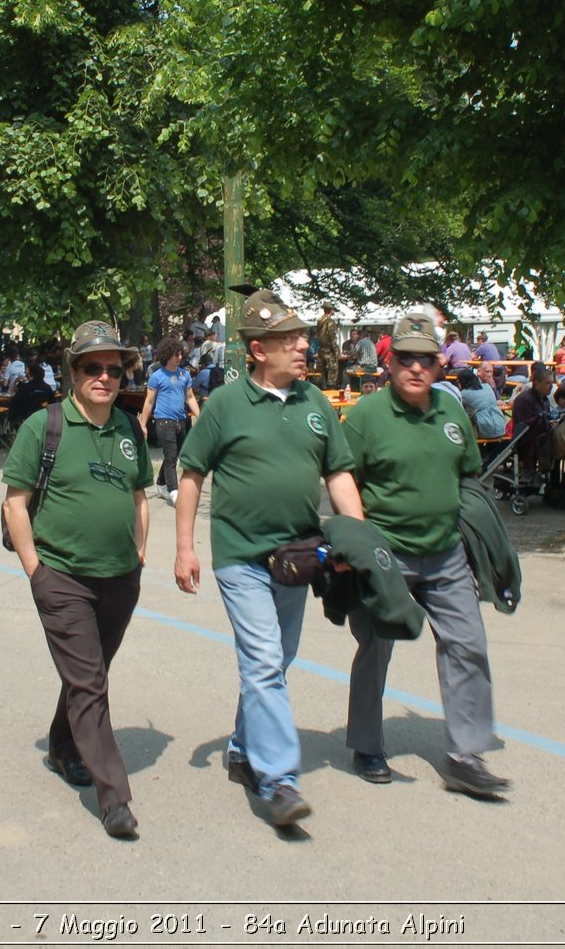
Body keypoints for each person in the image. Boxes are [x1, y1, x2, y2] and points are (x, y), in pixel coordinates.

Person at [175, 288, 364, 826]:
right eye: (291, 339)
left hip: (297, 557)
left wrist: (359, 538)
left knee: (277, 661)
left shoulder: (317, 404)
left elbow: (340, 476)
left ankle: (242, 750)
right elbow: (190, 476)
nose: (305, 346)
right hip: (239, 556)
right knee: (263, 661)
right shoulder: (227, 405)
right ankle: (278, 779)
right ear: (259, 349)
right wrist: (185, 548)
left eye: (303, 337)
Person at [342, 313, 508, 796]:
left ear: (440, 365)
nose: (416, 368)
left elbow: (468, 477)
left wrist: (476, 534)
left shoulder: (451, 411)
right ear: (390, 363)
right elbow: (343, 480)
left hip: (445, 552)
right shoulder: (367, 416)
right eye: (406, 358)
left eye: (427, 359)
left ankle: (465, 756)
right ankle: (368, 744)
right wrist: (358, 545)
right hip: (388, 553)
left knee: (468, 643)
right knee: (376, 646)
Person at [2, 322, 151, 839]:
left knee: (91, 671)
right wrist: (35, 570)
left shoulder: (130, 428)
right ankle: (114, 797)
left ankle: (63, 746)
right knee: (89, 679)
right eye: (94, 367)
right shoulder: (44, 426)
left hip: (119, 576)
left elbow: (138, 497)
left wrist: (139, 554)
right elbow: (15, 502)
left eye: (115, 369)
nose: (105, 377)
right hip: (61, 575)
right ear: (73, 373)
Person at [140, 339, 200, 505]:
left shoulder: (184, 374)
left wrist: (200, 416)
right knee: (171, 456)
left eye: (181, 354)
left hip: (181, 421)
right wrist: (143, 424)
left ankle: (161, 484)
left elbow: (190, 397)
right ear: (167, 355)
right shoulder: (157, 376)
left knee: (172, 455)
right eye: (176, 354)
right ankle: (174, 491)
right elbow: (149, 401)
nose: (179, 357)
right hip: (163, 421)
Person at [510, 363, 556, 487]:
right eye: (548, 383)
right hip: (526, 441)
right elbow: (525, 427)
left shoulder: (544, 399)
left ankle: (555, 484)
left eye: (552, 383)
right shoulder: (525, 399)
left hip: (540, 437)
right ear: (536, 383)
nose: (551, 386)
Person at [448, 365, 508, 441]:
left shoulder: (464, 394)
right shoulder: (487, 386)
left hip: (485, 428)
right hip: (501, 424)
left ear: (462, 382)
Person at [315, 302, 341, 389]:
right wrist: (337, 351)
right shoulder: (330, 322)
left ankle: (317, 390)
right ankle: (331, 391)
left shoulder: (319, 321)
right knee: (333, 372)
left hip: (321, 350)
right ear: (331, 310)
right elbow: (332, 337)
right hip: (329, 350)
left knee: (319, 372)